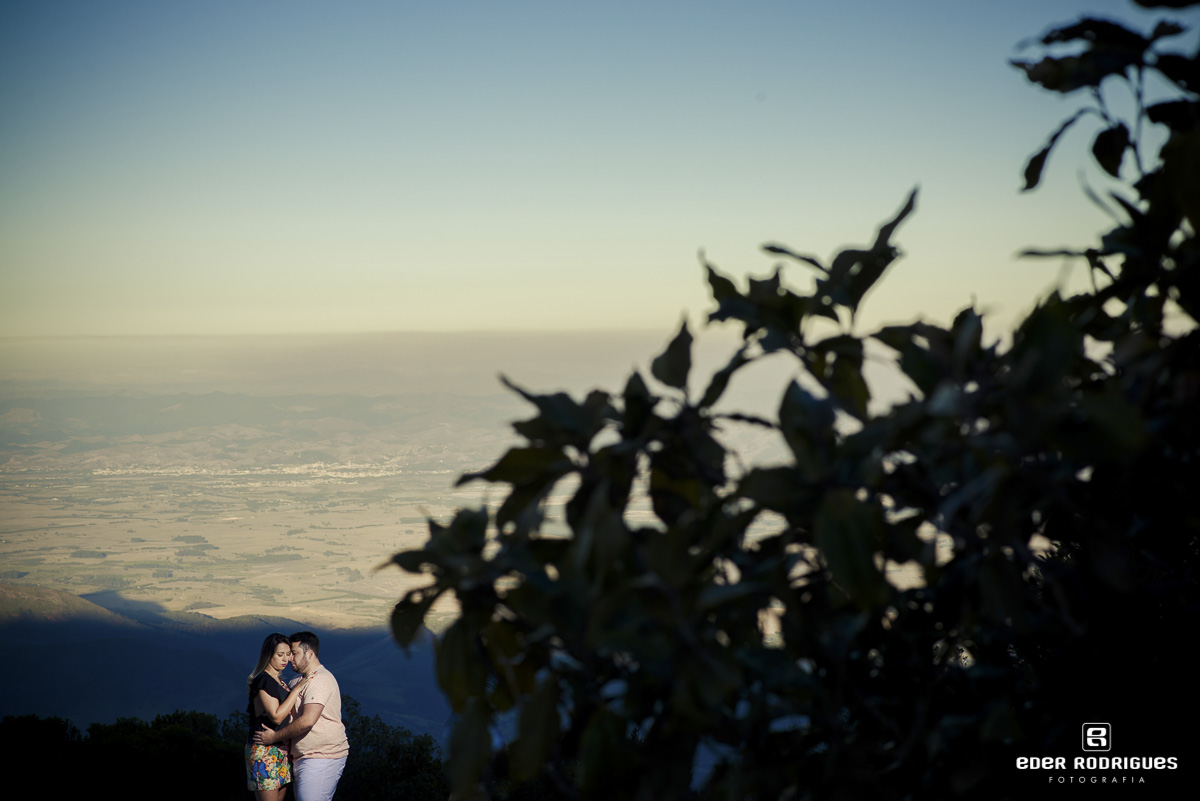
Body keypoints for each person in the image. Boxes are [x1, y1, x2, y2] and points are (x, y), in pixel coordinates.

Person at [253, 631, 349, 801]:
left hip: (321, 756)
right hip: (302, 757)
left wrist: (274, 737)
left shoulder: (320, 680)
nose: (290, 658)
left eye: (294, 653)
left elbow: (307, 721)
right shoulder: (296, 681)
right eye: (288, 654)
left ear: (310, 653)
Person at [245, 633, 312, 800]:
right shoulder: (264, 680)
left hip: (280, 749)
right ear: (269, 655)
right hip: (264, 750)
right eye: (279, 655)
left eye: (288, 654)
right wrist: (296, 690)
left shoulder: (279, 680)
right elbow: (276, 716)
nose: (285, 659)